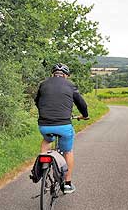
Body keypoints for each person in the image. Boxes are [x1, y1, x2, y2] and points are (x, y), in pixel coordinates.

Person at [34, 63, 89, 194]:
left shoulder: (43, 84)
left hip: (44, 125)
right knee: (68, 151)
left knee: (47, 141)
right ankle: (67, 184)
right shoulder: (70, 85)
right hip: (64, 125)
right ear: (66, 75)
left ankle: (42, 170)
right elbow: (81, 103)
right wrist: (85, 115)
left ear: (53, 74)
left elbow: (37, 101)